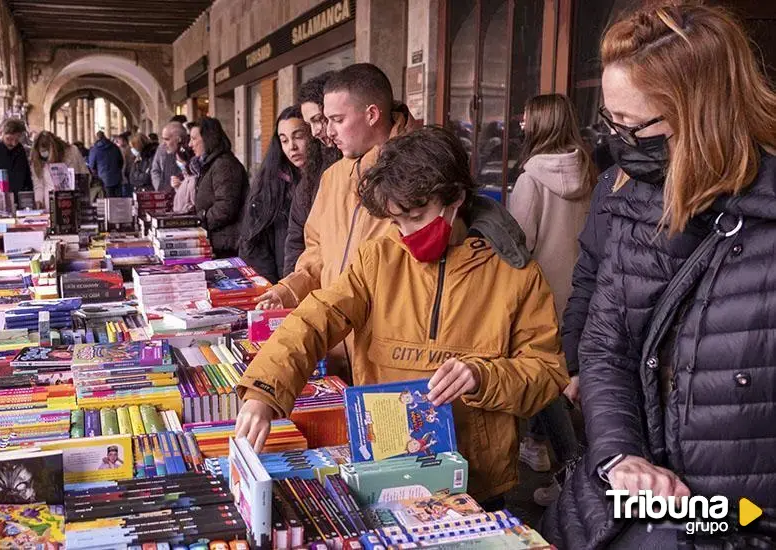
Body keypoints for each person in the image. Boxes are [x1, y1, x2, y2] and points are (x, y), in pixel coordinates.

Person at [235, 126, 569, 508]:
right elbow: (315, 318)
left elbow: (546, 372)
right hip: (387, 465)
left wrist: (483, 376)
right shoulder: (377, 257)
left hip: (476, 482)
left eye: (416, 216)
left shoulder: (515, 274)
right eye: (396, 222)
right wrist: (264, 391)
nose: (407, 234)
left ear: (456, 198)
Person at [543, 4, 776, 548]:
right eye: (610, 121)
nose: (617, 142)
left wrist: (705, 522)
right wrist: (620, 456)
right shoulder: (632, 196)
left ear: (704, 113)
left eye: (634, 126)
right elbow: (607, 344)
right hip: (628, 510)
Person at [253, 63, 530, 382]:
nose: (327, 132)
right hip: (336, 350)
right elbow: (318, 252)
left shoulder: (425, 171)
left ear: (372, 114)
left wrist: (482, 376)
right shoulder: (333, 177)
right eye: (325, 120)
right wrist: (290, 289)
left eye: (337, 120)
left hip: (397, 360)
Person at [507, 93, 594, 498]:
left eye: (526, 116)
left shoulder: (530, 179)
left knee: (546, 378)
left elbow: (517, 244)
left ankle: (569, 466)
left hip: (542, 297)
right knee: (565, 377)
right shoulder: (590, 171)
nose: (521, 122)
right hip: (584, 295)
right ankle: (544, 448)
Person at [239, 106, 315, 283]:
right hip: (279, 283)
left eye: (298, 136)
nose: (292, 147)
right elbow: (254, 245)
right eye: (284, 140)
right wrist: (271, 286)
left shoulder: (326, 177)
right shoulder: (271, 183)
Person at [285, 72, 344, 277]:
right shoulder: (317, 164)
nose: (317, 131)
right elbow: (297, 235)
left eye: (320, 120)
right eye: (309, 124)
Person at [189, 117, 248, 258]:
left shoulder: (224, 165)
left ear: (208, 139)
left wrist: (199, 221)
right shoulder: (210, 164)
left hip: (226, 244)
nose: (190, 144)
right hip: (217, 240)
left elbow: (226, 207)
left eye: (194, 139)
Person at [30, 131, 90, 209]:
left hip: (74, 202)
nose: (45, 157)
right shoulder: (37, 159)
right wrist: (38, 201)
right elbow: (38, 184)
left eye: (46, 152)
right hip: (51, 206)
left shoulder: (73, 152)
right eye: (41, 152)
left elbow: (85, 175)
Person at [151, 122, 187, 192]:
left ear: (178, 139)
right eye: (163, 139)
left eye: (167, 139)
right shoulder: (169, 154)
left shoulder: (189, 156)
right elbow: (162, 181)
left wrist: (181, 186)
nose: (163, 143)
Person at [88, 131, 125, 197]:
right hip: (117, 177)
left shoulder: (94, 150)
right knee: (118, 201)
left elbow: (91, 165)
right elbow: (121, 162)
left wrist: (97, 174)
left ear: (97, 138)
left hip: (103, 179)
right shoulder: (114, 147)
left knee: (107, 201)